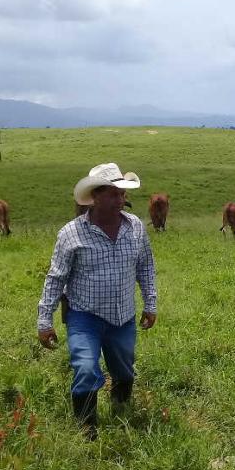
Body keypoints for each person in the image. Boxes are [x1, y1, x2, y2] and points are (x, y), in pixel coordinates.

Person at [37, 162, 157, 440]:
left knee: (124, 370)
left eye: (122, 193)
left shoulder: (136, 227)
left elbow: (146, 267)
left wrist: (150, 304)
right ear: (95, 197)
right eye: (113, 194)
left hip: (123, 316)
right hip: (84, 316)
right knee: (86, 368)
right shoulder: (71, 234)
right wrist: (45, 320)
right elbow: (55, 278)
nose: (120, 199)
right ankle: (87, 428)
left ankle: (121, 406)